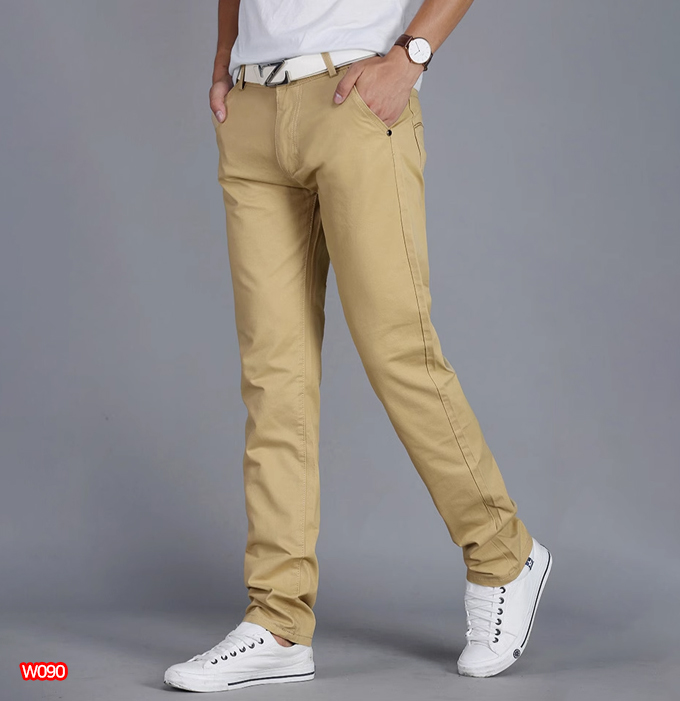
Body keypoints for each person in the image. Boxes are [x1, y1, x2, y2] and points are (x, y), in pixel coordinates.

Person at [164, 0, 552, 691]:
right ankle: (278, 621)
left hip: (353, 97)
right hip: (253, 107)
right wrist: (224, 57)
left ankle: (503, 553)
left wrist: (412, 56)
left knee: (397, 350)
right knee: (273, 377)